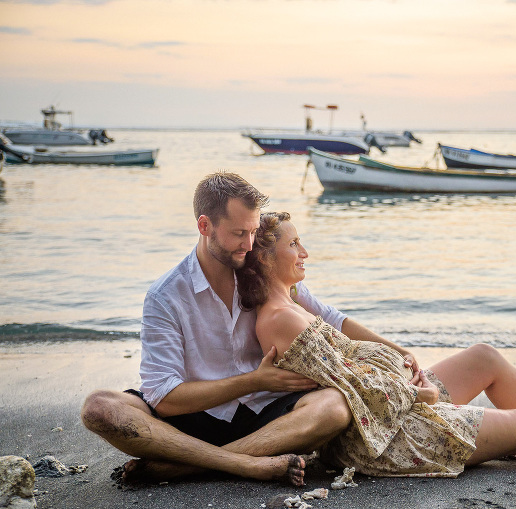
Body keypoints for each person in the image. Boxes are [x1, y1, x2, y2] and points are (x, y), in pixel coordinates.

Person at [237, 211, 516, 478]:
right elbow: (352, 397)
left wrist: (403, 359)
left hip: (396, 402)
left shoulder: (296, 297)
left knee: (483, 357)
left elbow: (346, 334)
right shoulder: (278, 320)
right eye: (295, 244)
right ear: (264, 256)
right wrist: (421, 391)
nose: (305, 252)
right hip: (380, 438)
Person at [80, 172, 417, 487]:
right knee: (99, 407)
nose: (249, 243)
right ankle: (244, 464)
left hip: (268, 418)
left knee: (334, 407)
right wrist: (254, 380)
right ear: (204, 225)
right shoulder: (166, 296)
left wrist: (401, 352)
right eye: (239, 233)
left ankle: (189, 465)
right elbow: (164, 398)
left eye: (253, 231)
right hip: (193, 419)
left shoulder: (260, 272)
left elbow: (331, 317)